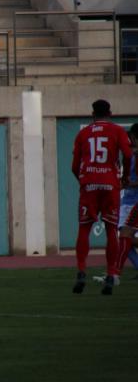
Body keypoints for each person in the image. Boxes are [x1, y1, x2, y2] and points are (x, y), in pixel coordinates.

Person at [71, 100, 132, 295]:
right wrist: (125, 177)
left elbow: (74, 166)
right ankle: (111, 275)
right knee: (111, 229)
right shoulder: (117, 131)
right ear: (110, 113)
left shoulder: (83, 133)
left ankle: (81, 271)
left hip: (89, 183)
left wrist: (84, 180)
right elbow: (129, 154)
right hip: (109, 183)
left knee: (84, 228)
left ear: (92, 114)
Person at [113, 124, 138, 279]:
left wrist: (127, 184)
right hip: (127, 201)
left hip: (135, 201)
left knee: (125, 237)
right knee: (123, 239)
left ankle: (116, 273)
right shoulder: (131, 154)